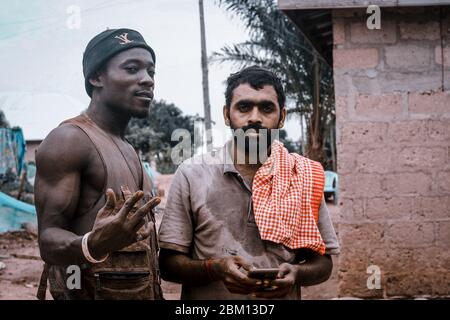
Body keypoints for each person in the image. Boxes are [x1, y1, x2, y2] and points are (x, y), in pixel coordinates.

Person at [158, 66, 340, 299]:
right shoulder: (192, 174)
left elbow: (323, 265)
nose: (255, 117)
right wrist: (217, 268)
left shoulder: (302, 174)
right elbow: (168, 265)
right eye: (244, 107)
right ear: (226, 115)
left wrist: (297, 273)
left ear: (281, 117)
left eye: (266, 108)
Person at [35, 28, 163, 300]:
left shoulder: (129, 149)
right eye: (132, 69)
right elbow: (47, 240)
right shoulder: (69, 140)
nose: (147, 80)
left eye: (151, 72)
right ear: (96, 77)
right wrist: (92, 244)